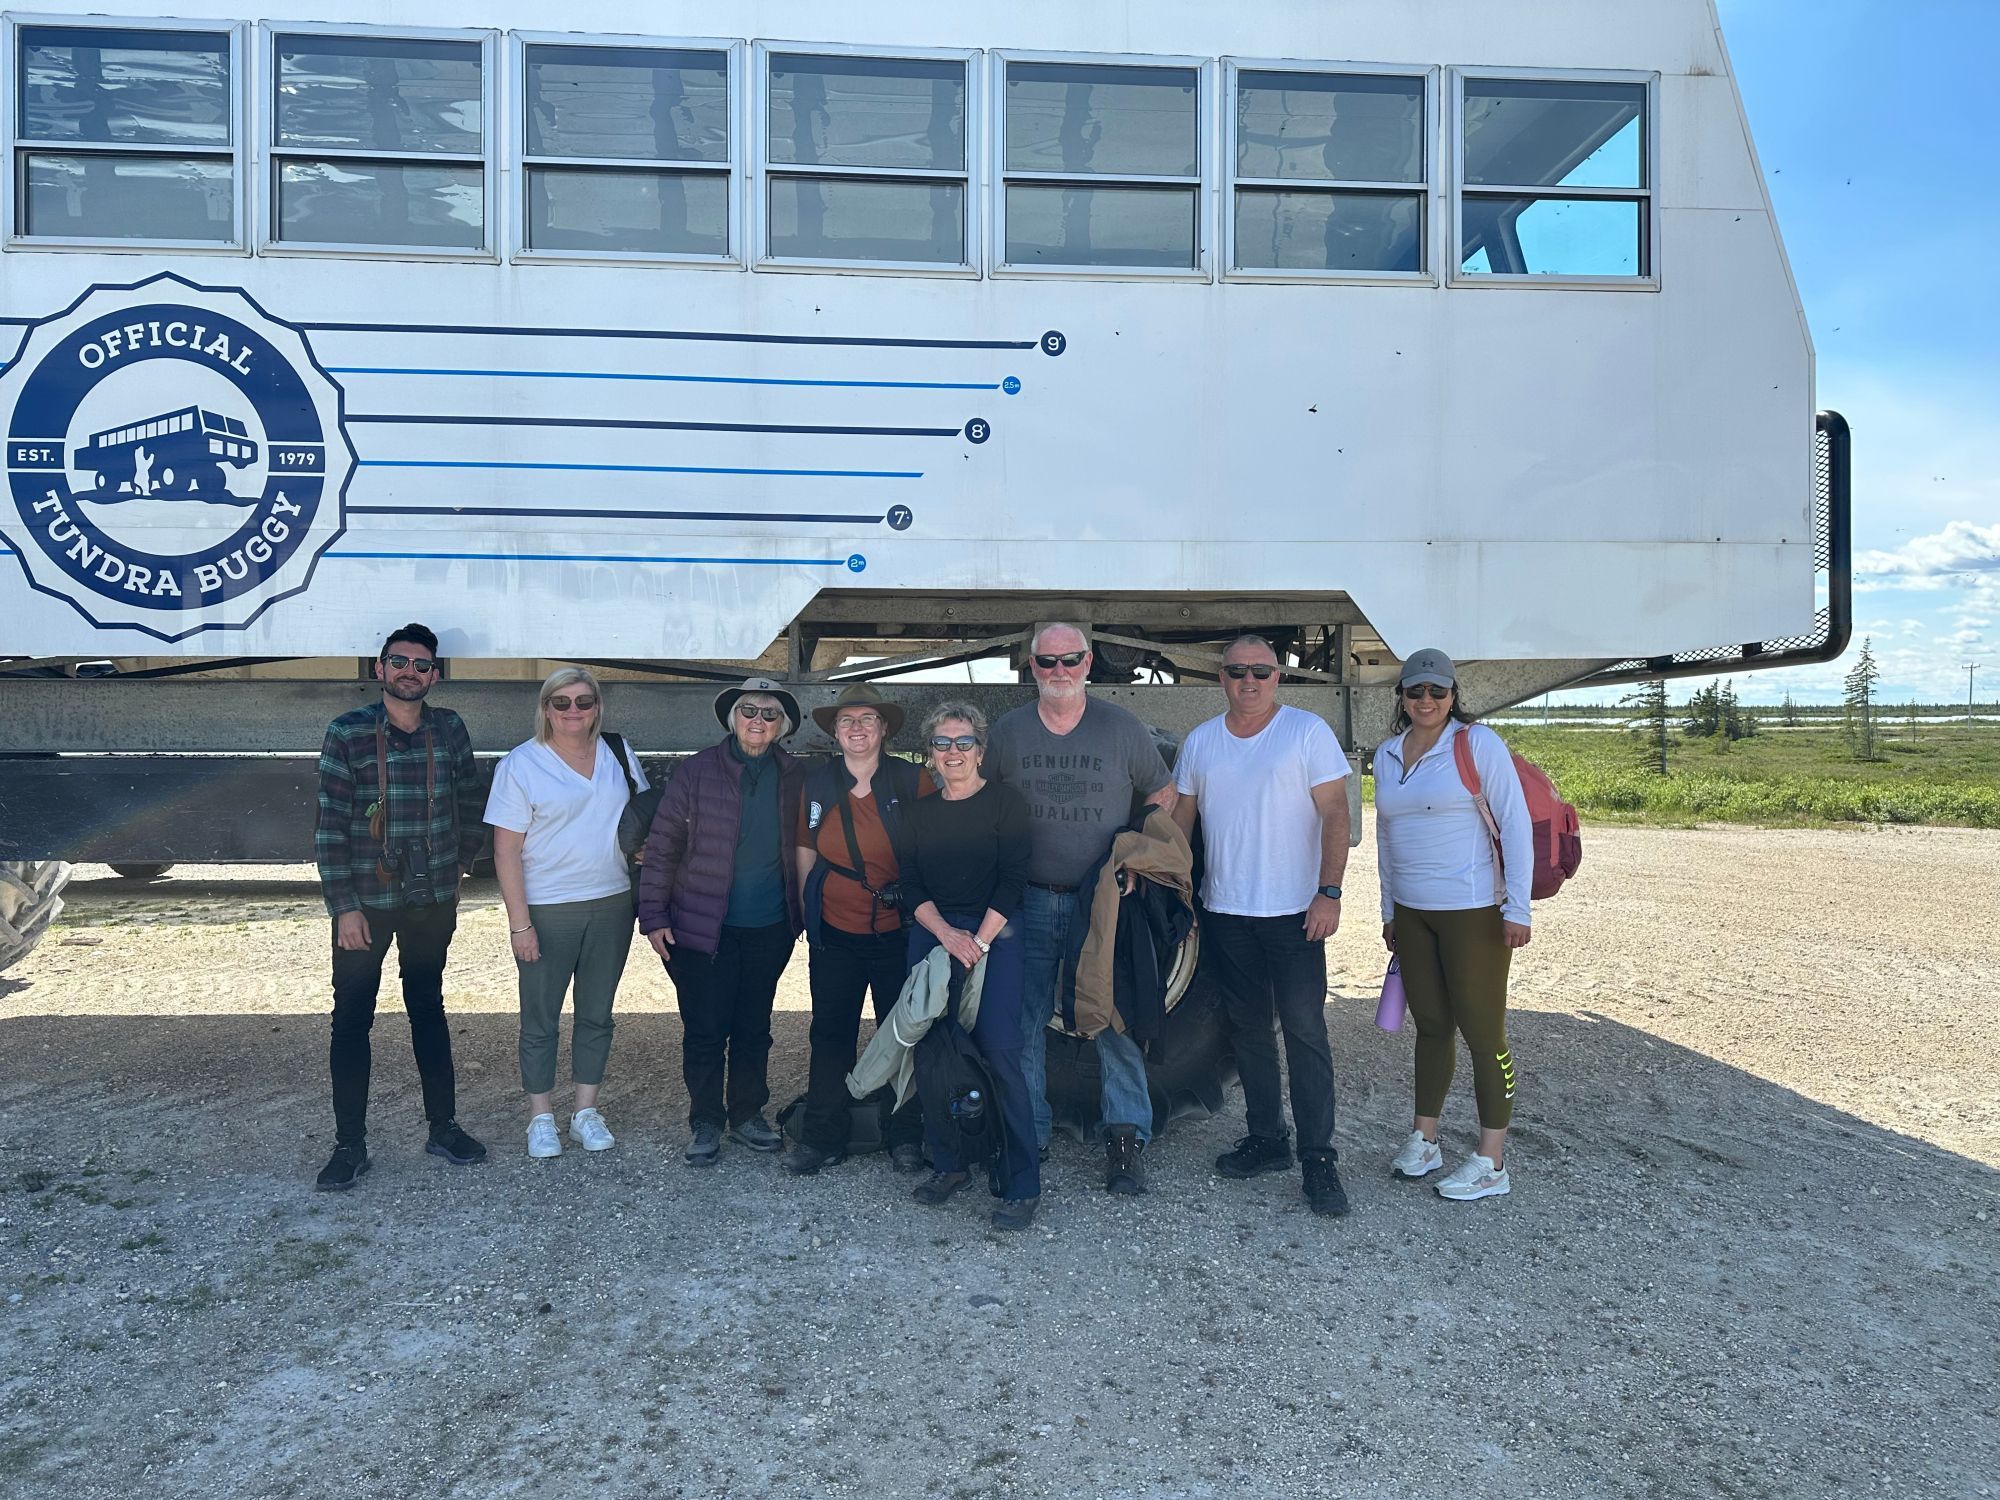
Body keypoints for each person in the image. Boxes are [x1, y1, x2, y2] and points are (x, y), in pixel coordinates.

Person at [985, 622, 1176, 1195]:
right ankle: (1030, 1133)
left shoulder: (1121, 728)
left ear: (1089, 663)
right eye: (1047, 663)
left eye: (1070, 660)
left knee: (1114, 1018)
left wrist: (1139, 853)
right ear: (1031, 666)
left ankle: (1126, 1137)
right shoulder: (1009, 732)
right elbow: (976, 793)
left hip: (1104, 904)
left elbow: (1162, 792)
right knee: (1025, 1022)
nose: (1059, 671)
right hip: (1031, 899)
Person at [1169, 634, 1354, 1217]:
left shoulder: (1306, 733)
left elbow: (1336, 814)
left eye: (1261, 671)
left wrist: (1328, 893)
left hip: (1296, 915)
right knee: (1248, 1031)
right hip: (1225, 912)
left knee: (1304, 1034)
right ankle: (1267, 1140)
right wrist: (1173, 892)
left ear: (1278, 677)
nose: (1248, 681)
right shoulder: (1201, 742)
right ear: (1220, 678)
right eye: (1236, 671)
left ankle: (1318, 1160)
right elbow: (1178, 825)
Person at [312, 623, 487, 1191]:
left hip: (431, 899)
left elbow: (469, 801)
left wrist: (457, 868)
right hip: (367, 902)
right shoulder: (349, 732)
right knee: (352, 1021)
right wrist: (344, 907)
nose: (411, 672)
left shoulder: (450, 728)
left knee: (429, 1010)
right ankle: (349, 1145)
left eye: (422, 664)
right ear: (379, 669)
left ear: (435, 674)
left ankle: (444, 1128)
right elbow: (329, 827)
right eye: (400, 662)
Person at [1373, 648, 1532, 1202]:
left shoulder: (1476, 744)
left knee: (1485, 1034)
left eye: (1437, 692)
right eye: (1415, 691)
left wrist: (1518, 909)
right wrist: (1390, 910)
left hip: (1473, 911)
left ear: (1452, 695)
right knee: (1432, 1025)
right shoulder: (1388, 754)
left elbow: (1514, 824)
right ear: (1402, 696)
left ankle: (1492, 1162)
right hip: (1414, 914)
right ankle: (1426, 1138)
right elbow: (1385, 839)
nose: (1426, 701)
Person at [639, 677, 805, 1166]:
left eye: (769, 714)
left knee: (754, 1027)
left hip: (770, 927)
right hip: (701, 928)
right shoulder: (695, 772)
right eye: (748, 711)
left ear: (782, 727)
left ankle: (748, 1113)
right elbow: (663, 847)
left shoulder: (796, 776)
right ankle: (706, 1120)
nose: (758, 720)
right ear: (732, 719)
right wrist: (652, 915)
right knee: (706, 1029)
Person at [485, 667, 645, 1160]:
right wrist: (520, 924)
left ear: (598, 707)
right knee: (540, 1018)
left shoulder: (619, 753)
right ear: (545, 708)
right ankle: (540, 1117)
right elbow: (505, 852)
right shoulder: (522, 764)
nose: (573, 711)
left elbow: (641, 818)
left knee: (597, 1014)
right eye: (561, 703)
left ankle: (585, 1112)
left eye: (584, 702)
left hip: (613, 901)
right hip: (549, 908)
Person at [897, 703, 1039, 1230]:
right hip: (935, 936)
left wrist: (976, 941)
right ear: (929, 753)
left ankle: (1021, 1181)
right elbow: (910, 883)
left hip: (995, 935)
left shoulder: (1006, 803)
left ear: (981, 749)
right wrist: (946, 936)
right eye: (941, 743)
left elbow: (1013, 878)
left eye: (962, 742)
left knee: (1000, 1054)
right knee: (935, 1053)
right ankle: (950, 1165)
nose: (952, 753)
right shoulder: (916, 813)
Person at [783, 684, 931, 1177]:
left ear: (884, 729)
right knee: (830, 1033)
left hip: (901, 932)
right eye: (847, 721)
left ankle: (905, 1135)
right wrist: (810, 910)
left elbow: (938, 846)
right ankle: (822, 1135)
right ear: (834, 731)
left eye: (867, 719)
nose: (858, 728)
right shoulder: (819, 783)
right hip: (837, 932)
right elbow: (806, 847)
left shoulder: (914, 781)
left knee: (903, 1034)